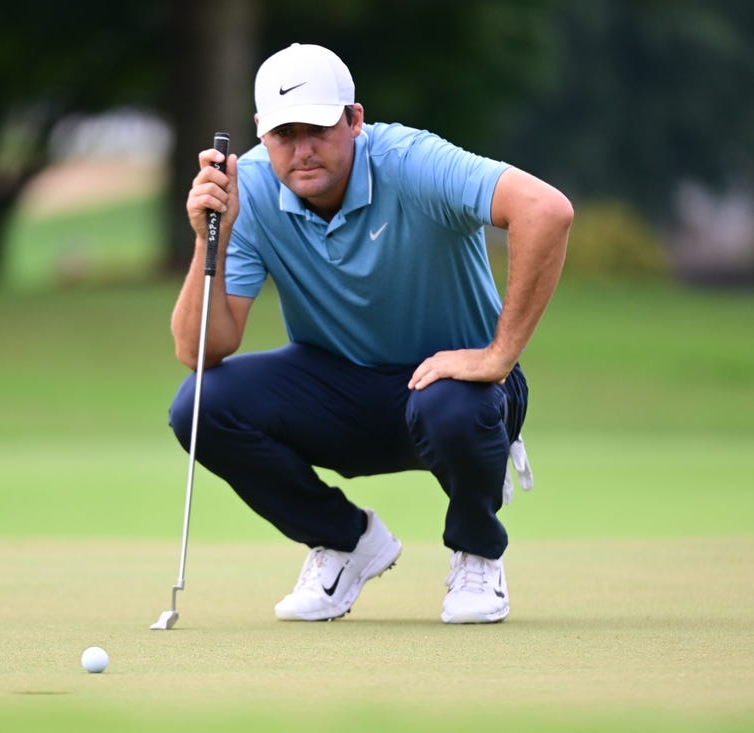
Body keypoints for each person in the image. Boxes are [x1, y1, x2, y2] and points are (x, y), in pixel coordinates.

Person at [168, 43, 573, 624]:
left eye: (319, 129)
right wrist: (213, 237)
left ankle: (477, 551)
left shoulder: (409, 160)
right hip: (338, 393)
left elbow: (546, 209)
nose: (302, 151)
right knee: (201, 404)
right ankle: (344, 542)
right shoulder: (248, 190)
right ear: (261, 132)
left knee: (454, 406)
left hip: (456, 392)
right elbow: (199, 350)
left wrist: (499, 355)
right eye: (285, 134)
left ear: (354, 121)